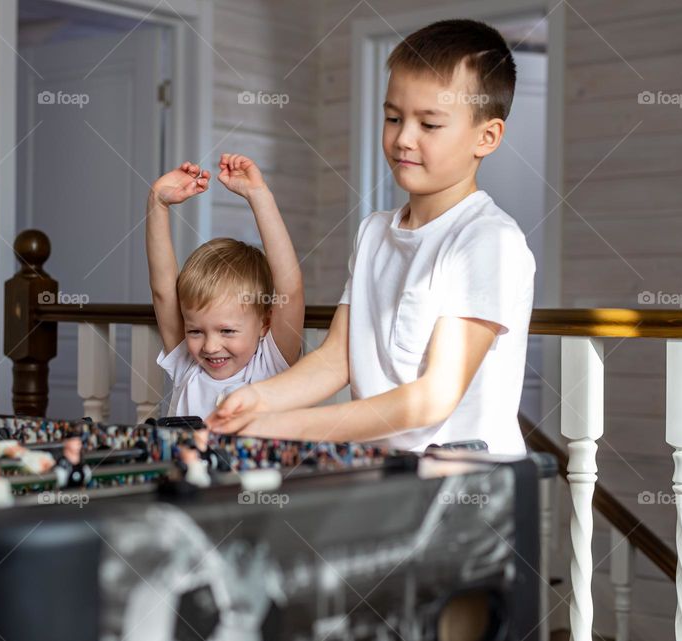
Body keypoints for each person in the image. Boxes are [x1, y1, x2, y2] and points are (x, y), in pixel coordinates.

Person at [207, 20, 535, 456]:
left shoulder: (487, 241)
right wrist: (261, 398)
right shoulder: (375, 232)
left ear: (487, 136)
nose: (403, 138)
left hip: (466, 492)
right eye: (394, 117)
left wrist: (284, 425)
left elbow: (432, 398)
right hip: (387, 474)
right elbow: (336, 358)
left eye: (430, 124)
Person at [147, 154, 305, 418]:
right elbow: (163, 291)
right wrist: (157, 203)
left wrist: (258, 195)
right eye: (195, 331)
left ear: (264, 324)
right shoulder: (188, 363)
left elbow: (291, 290)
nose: (210, 346)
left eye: (228, 331)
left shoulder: (270, 365)